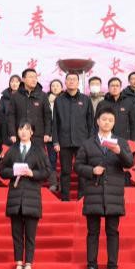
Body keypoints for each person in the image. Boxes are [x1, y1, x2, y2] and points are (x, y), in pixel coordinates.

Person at [74, 107, 134, 269]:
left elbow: (129, 163)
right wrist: (92, 170)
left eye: (110, 120)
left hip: (113, 194)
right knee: (92, 232)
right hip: (94, 192)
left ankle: (112, 267)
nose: (107, 122)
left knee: (112, 232)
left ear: (114, 123)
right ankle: (91, 267)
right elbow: (77, 166)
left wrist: (119, 152)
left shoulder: (120, 142)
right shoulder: (88, 143)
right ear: (98, 121)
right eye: (104, 119)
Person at [0, 121, 50, 269]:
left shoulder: (38, 150)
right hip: (15, 196)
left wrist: (32, 173)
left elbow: (47, 171)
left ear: (32, 132)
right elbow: (2, 170)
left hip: (32, 196)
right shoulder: (12, 150)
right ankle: (19, 263)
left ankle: (28, 264)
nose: (23, 132)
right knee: (16, 234)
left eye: (27, 129)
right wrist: (14, 172)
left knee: (30, 234)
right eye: (21, 129)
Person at [53, 72, 94, 201]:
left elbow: (91, 122)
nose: (71, 81)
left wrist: (90, 141)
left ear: (78, 82)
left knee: (82, 171)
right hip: (64, 141)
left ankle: (82, 197)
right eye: (69, 79)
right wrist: (55, 141)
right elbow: (55, 122)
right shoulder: (59, 100)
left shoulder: (85, 99)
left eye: (74, 79)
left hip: (82, 142)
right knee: (65, 171)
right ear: (65, 82)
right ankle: (65, 198)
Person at [7, 68, 52, 147]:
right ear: (23, 79)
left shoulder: (43, 96)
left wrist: (47, 133)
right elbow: (11, 116)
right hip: (20, 136)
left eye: (35, 77)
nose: (34, 80)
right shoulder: (15, 96)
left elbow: (47, 116)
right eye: (31, 77)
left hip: (38, 136)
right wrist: (12, 133)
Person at [46, 79, 64, 191]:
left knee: (64, 161)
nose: (55, 87)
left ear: (62, 88)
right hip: (50, 135)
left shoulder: (65, 99)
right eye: (53, 85)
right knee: (51, 160)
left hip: (63, 135)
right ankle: (53, 183)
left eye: (57, 85)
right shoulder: (46, 100)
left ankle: (62, 183)